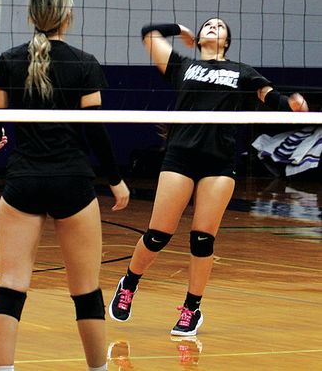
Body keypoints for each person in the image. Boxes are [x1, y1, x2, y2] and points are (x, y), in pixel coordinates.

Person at [108, 18, 308, 336]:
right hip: (180, 156)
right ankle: (129, 283)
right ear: (200, 37)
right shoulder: (183, 65)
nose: (213, 27)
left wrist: (293, 105)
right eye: (208, 25)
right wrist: (180, 29)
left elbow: (271, 97)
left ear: (227, 40)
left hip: (219, 161)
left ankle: (191, 309)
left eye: (220, 26)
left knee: (203, 239)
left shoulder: (242, 71)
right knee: (158, 234)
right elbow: (149, 34)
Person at [0, 0, 130, 371]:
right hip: (72, 182)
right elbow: (95, 129)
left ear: (32, 17)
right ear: (68, 16)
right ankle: (98, 369)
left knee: (11, 285)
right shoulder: (83, 63)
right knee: (85, 291)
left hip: (24, 181)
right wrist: (114, 179)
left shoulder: (9, 59)